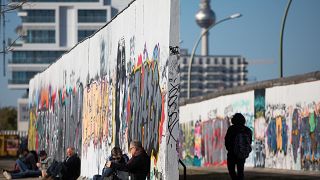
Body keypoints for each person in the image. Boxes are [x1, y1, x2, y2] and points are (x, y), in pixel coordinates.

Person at [225, 113, 252, 180]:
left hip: (232, 153)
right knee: (240, 172)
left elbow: (227, 140)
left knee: (231, 171)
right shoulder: (248, 130)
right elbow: (249, 142)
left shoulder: (231, 129)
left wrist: (229, 149)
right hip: (242, 154)